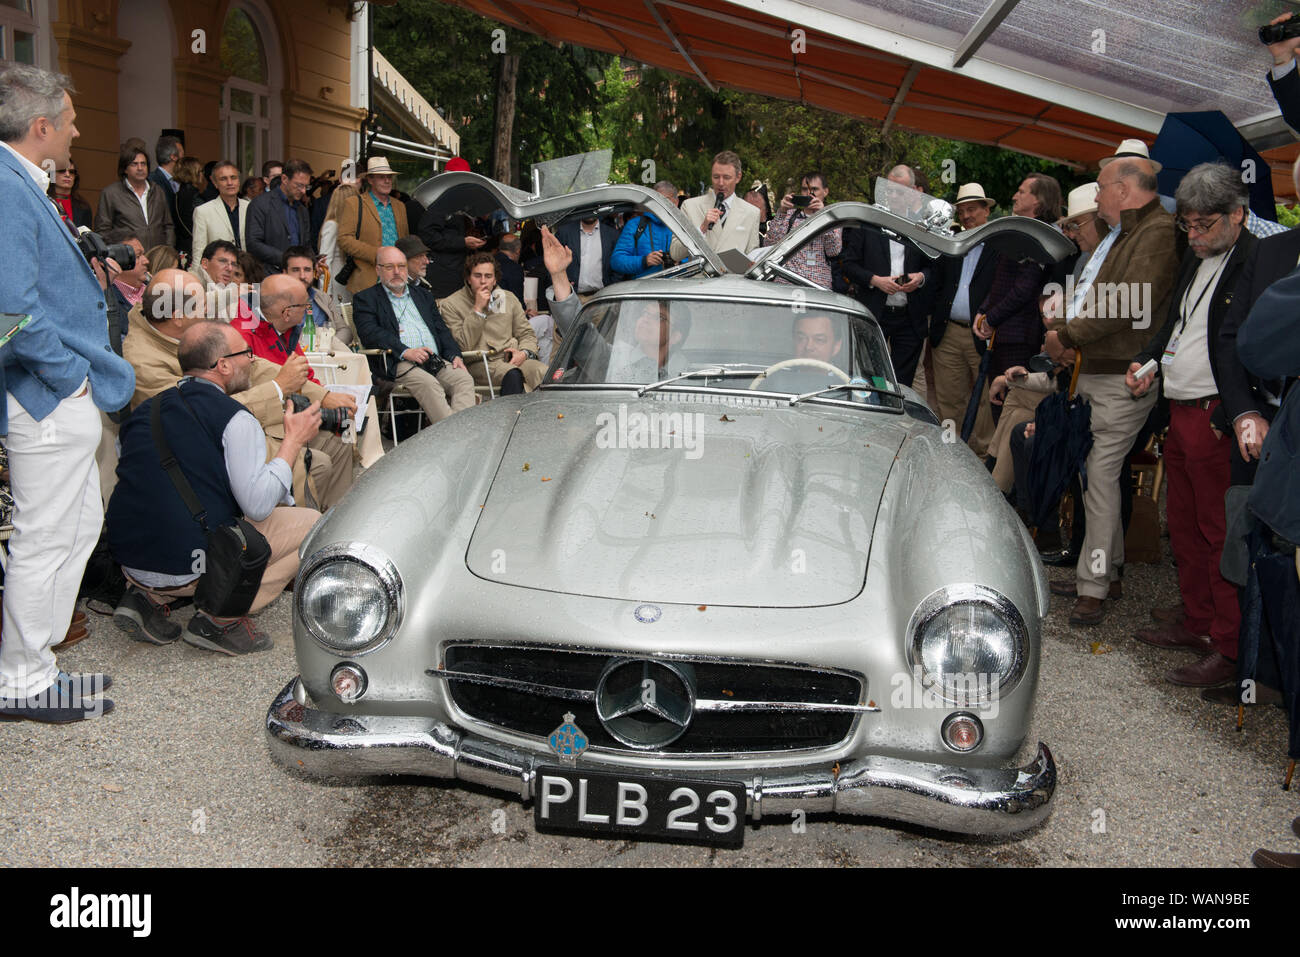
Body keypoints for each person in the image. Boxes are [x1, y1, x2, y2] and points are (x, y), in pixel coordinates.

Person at [0, 63, 135, 722]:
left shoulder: (21, 182)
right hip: (46, 396)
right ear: (42, 125)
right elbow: (10, 310)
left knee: (74, 526)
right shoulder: (5, 184)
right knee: (45, 536)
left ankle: (37, 665)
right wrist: (68, 378)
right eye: (72, 120)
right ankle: (19, 677)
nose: (80, 131)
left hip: (56, 393)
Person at [107, 321, 322, 655]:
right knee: (313, 524)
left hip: (132, 558)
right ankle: (220, 617)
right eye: (246, 354)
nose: (251, 360)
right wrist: (292, 441)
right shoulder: (235, 417)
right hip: (190, 566)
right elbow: (258, 505)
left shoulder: (145, 410)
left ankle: (147, 596)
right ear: (223, 365)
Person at [1126, 163, 1258, 687]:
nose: (1195, 235)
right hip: (1179, 408)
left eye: (1204, 224)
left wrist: (1238, 413)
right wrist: (1149, 360)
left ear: (1238, 215)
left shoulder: (1254, 262)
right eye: (1188, 224)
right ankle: (1198, 620)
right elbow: (1175, 326)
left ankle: (1227, 649)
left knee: (1218, 532)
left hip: (1215, 416)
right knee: (1182, 524)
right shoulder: (1196, 256)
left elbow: (1246, 348)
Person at [1044, 141, 1179, 625]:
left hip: (1124, 378)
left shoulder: (1159, 233)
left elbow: (1129, 302)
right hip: (1099, 372)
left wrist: (1065, 333)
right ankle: (1106, 571)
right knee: (1095, 477)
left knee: (1099, 477)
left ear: (1124, 188)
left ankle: (1094, 586)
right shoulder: (1128, 232)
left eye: (1101, 189)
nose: (1096, 198)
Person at [236, 273, 357, 508]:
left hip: (290, 411)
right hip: (265, 421)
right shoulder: (243, 336)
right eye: (305, 305)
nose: (309, 309)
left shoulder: (285, 330)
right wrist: (323, 401)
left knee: (343, 431)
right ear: (286, 312)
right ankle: (304, 521)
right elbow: (262, 385)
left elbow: (305, 375)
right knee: (317, 460)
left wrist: (325, 400)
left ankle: (334, 515)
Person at [351, 246, 476, 423]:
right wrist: (405, 351)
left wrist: (454, 354)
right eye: (389, 267)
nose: (397, 272)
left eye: (401, 266)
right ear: (378, 269)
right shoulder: (366, 298)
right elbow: (370, 333)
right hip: (398, 361)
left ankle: (458, 433)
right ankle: (456, 437)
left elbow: (441, 329)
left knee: (463, 379)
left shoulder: (423, 295)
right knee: (429, 384)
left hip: (434, 359)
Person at [544, 227, 685, 382]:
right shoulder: (616, 358)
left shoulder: (692, 373)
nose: (645, 319)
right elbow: (580, 334)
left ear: (676, 336)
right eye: (644, 313)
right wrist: (558, 274)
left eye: (658, 317)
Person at [841, 164, 934, 389]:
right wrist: (875, 280)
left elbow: (936, 267)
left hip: (909, 317)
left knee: (902, 382)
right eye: (889, 189)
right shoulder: (869, 221)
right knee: (873, 377)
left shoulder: (922, 225)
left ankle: (899, 419)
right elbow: (848, 264)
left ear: (913, 192)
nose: (893, 195)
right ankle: (878, 409)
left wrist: (920, 277)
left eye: (899, 191)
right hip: (875, 312)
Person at [927, 182, 999, 452]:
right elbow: (937, 282)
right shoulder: (952, 242)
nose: (967, 216)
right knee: (949, 396)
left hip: (981, 332)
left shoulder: (998, 247)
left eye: (972, 210)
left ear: (985, 210)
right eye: (962, 211)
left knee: (984, 398)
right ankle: (951, 451)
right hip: (948, 331)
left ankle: (982, 455)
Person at [973, 174, 1060, 386]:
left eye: (1021, 192)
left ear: (1038, 200)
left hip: (1018, 337)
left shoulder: (1041, 236)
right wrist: (983, 311)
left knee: (1010, 399)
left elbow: (1025, 289)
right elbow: (1001, 280)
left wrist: (991, 319)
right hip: (1002, 334)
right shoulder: (1021, 230)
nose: (1014, 197)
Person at [439, 252, 546, 394]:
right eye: (477, 276)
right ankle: (515, 416)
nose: (483, 281)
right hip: (479, 363)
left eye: (488, 276)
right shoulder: (451, 304)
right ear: (468, 278)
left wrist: (524, 353)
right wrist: (477, 310)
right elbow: (461, 346)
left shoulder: (507, 298)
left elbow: (526, 334)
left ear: (495, 280)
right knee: (513, 375)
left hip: (512, 358)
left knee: (544, 373)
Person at [336, 156, 409, 296]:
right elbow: (344, 239)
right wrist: (377, 253)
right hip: (367, 279)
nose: (387, 181)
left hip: (397, 278)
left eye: (389, 177)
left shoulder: (400, 206)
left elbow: (404, 240)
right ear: (370, 180)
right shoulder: (354, 203)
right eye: (381, 177)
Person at [418, 157, 486, 298]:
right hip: (443, 276)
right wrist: (463, 242)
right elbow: (427, 235)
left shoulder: (454, 201)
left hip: (454, 272)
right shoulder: (439, 202)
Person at [671, 150, 761, 257]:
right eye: (716, 177)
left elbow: (753, 256)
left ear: (738, 177)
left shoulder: (752, 212)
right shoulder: (690, 206)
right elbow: (675, 253)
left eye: (727, 177)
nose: (721, 183)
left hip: (733, 274)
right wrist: (701, 229)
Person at [762, 171, 842, 289]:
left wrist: (823, 215)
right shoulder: (788, 216)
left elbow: (834, 251)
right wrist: (782, 211)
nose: (810, 193)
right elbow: (769, 244)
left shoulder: (832, 218)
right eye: (805, 189)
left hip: (817, 286)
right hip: (786, 283)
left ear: (825, 191)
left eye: (815, 189)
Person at [94, 142, 175, 250]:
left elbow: (168, 226)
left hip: (157, 258)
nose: (140, 168)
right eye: (134, 164)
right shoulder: (111, 193)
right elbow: (102, 231)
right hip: (129, 259)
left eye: (143, 164)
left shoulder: (157, 191)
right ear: (125, 169)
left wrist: (168, 250)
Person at [246, 157, 313, 275]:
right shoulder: (260, 204)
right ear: (284, 179)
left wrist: (313, 260)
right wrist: (287, 260)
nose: (303, 191)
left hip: (297, 277)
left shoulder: (302, 210)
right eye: (299, 185)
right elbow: (253, 244)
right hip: (267, 275)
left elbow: (306, 244)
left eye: (306, 187)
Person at [610, 181, 680, 279]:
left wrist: (680, 262)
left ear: (676, 202)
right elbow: (616, 261)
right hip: (643, 289)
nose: (661, 204)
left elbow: (695, 258)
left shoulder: (682, 227)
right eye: (656, 200)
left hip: (677, 288)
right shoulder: (635, 225)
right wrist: (644, 261)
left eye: (666, 200)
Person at [190, 160, 247, 265]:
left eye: (233, 177)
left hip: (247, 274)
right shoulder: (203, 211)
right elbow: (199, 253)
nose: (230, 183)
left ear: (239, 181)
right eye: (223, 179)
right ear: (215, 183)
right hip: (218, 275)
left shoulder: (250, 208)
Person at [555, 214, 618, 298]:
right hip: (572, 296)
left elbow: (618, 263)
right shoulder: (564, 232)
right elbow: (555, 262)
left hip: (603, 296)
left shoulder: (612, 234)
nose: (590, 212)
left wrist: (612, 286)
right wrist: (563, 283)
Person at [317, 181, 359, 298]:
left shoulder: (351, 225)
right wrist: (326, 292)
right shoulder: (332, 225)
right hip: (337, 284)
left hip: (348, 282)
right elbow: (325, 261)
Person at [47, 157, 91, 229]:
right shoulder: (43, 200)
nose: (67, 175)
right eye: (61, 171)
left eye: (72, 172)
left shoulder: (83, 206)